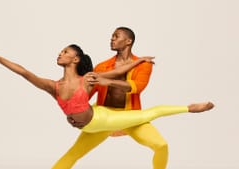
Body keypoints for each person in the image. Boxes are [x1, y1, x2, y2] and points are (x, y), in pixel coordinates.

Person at [0, 44, 214, 166]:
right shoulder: (52, 86)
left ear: (75, 59)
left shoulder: (87, 79)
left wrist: (138, 60)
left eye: (65, 52)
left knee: (151, 113)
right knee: (69, 157)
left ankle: (191, 108)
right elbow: (25, 72)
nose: (60, 54)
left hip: (104, 119)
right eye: (60, 51)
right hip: (89, 129)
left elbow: (118, 71)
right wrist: (0, 58)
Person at [51, 27, 200, 169]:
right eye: (111, 36)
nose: (112, 39)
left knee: (161, 145)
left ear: (128, 41)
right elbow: (83, 95)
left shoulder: (143, 64)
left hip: (131, 116)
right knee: (73, 154)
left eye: (116, 36)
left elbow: (137, 87)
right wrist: (74, 115)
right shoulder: (102, 66)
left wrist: (108, 81)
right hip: (103, 117)